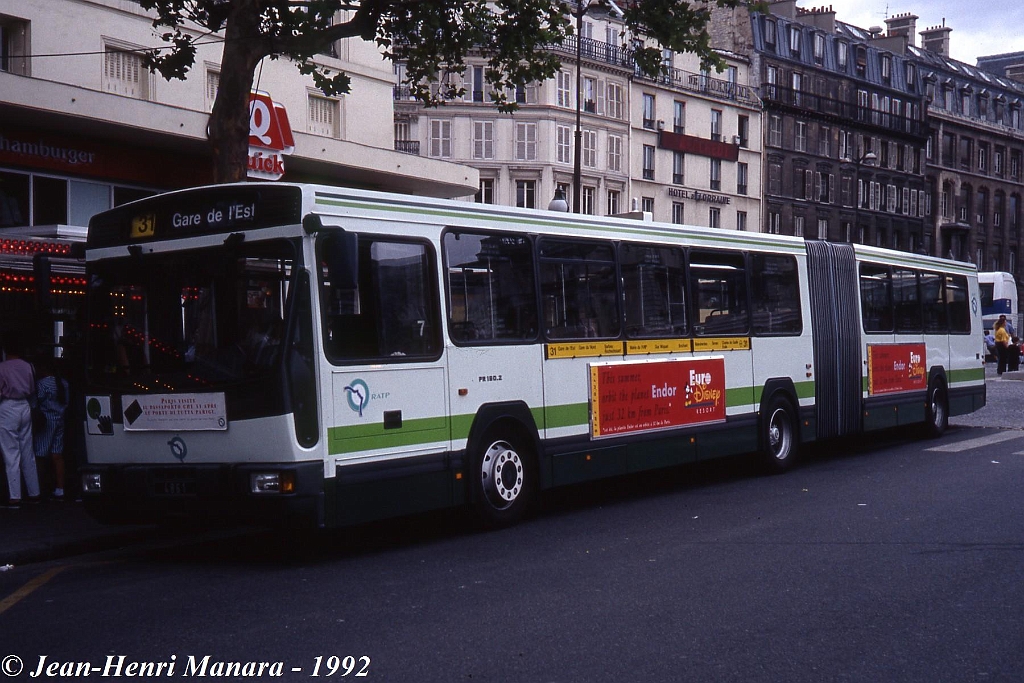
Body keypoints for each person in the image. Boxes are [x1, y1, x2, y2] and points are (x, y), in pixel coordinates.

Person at [0, 337, 40, 507]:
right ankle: (34, 492)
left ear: (5, 350)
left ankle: (15, 496)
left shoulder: (2, 368)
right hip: (25, 405)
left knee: (11, 453)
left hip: (8, 406)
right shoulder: (28, 366)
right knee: (27, 452)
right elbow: (32, 388)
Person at [33, 357, 69, 500]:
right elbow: (66, 402)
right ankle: (60, 488)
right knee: (57, 455)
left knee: (40, 455)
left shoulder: (41, 384)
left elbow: (36, 402)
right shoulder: (64, 383)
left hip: (46, 421)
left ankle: (38, 488)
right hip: (60, 420)